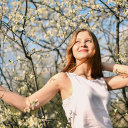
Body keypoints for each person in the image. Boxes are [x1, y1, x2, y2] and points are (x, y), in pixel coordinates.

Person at [0, 28, 128, 128]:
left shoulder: (102, 82)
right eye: (77, 42)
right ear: (72, 49)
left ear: (96, 47)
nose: (82, 44)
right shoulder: (64, 79)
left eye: (88, 41)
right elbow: (26, 104)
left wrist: (99, 64)